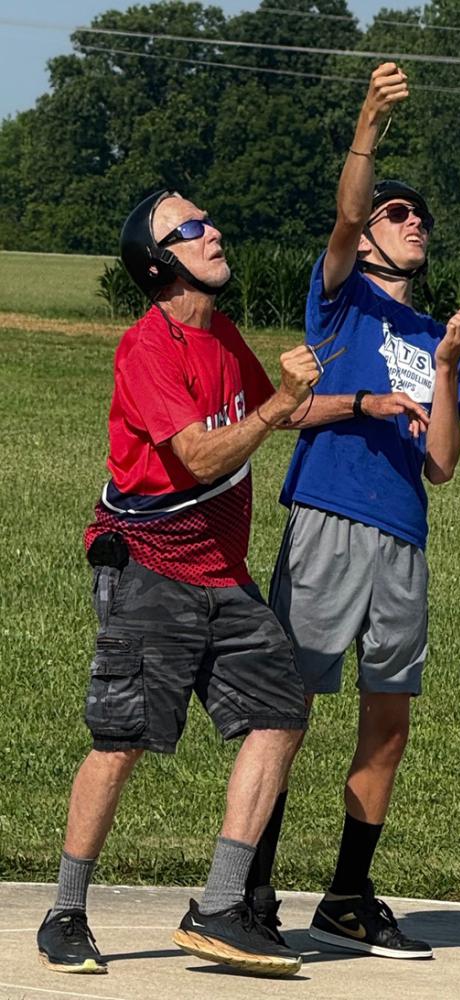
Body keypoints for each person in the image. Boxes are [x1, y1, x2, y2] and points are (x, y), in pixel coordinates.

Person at [36, 188, 325, 978]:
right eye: (191, 228)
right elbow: (199, 456)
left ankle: (221, 906)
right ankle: (65, 909)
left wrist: (367, 403)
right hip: (150, 571)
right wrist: (278, 407)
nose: (214, 232)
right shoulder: (149, 348)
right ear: (160, 261)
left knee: (279, 711)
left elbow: (281, 412)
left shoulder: (223, 334)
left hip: (223, 578)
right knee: (123, 740)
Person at [247, 62, 460, 959]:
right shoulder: (338, 296)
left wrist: (451, 365)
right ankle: (251, 886)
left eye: (418, 215)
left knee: (389, 719)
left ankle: (347, 894)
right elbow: (344, 214)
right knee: (290, 707)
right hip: (328, 518)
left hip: (403, 537)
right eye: (398, 212)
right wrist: (367, 123)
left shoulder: (433, 338)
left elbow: (444, 465)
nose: (412, 220)